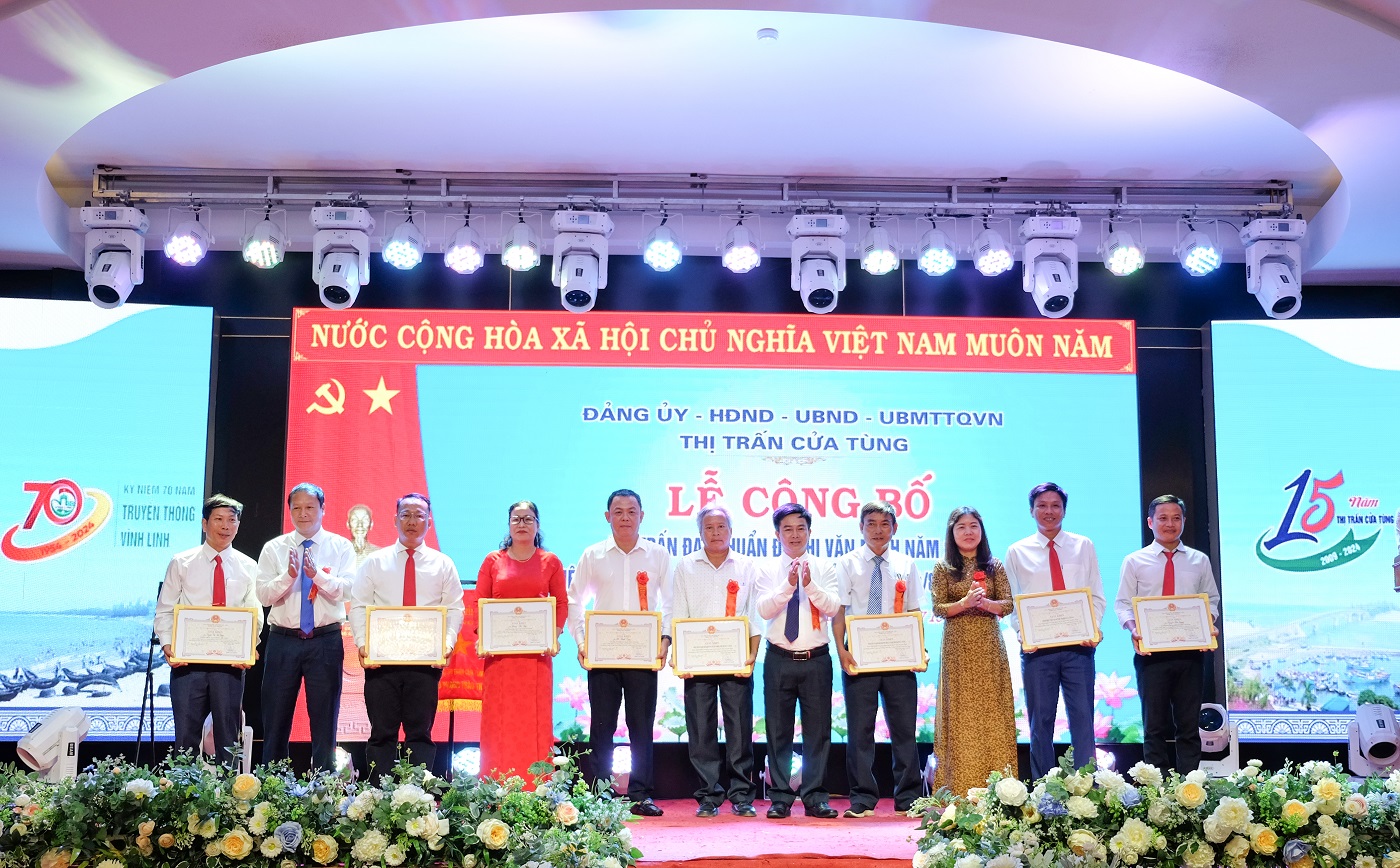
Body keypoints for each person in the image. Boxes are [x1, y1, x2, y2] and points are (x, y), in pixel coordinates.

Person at [566, 488, 673, 817]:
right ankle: (600, 792)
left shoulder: (658, 555)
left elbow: (670, 602)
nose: (625, 517)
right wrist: (582, 641)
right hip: (603, 655)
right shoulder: (593, 555)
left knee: (641, 725)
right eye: (618, 511)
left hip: (643, 655)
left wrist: (665, 639)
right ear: (607, 516)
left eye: (631, 511)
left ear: (642, 516)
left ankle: (641, 793)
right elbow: (574, 600)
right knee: (602, 725)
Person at [350, 493, 465, 778]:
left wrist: (447, 643)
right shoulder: (374, 562)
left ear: (429, 522)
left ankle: (417, 795)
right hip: (382, 662)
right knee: (381, 733)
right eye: (406, 515)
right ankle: (378, 795)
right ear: (395, 520)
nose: (412, 521)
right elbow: (359, 605)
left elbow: (454, 607)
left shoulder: (443, 564)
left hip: (425, 663)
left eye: (419, 515)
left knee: (420, 734)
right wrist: (363, 644)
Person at [1004, 482, 1106, 778]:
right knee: (1040, 722)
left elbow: (1096, 594)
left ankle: (1087, 784)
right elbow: (1012, 601)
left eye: (1055, 506)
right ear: (1031, 511)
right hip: (1037, 650)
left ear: (1064, 510)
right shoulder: (1017, 551)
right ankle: (1043, 788)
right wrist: (1023, 634)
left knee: (1083, 720)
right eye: (1042, 506)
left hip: (1079, 649)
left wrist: (1093, 629)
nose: (1049, 511)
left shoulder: (1083, 545)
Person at [666, 505, 762, 817]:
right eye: (709, 527)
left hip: (736, 660)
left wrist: (752, 654)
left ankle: (741, 795)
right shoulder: (686, 566)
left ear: (731, 531)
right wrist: (679, 656)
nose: (716, 532)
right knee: (700, 729)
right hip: (697, 661)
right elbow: (678, 613)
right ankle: (708, 795)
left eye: (721, 526)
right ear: (700, 532)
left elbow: (754, 614)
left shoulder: (747, 566)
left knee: (740, 728)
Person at [255, 482, 357, 771]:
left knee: (325, 718)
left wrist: (317, 576)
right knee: (275, 717)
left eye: (310, 507)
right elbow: (263, 595)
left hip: (325, 640)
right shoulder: (274, 548)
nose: (303, 513)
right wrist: (288, 576)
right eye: (296, 508)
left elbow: (349, 590)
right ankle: (273, 782)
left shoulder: (340, 546)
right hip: (283, 641)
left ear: (323, 509)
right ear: (289, 510)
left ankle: (323, 785)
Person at [1115, 494, 1221, 773]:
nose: (1170, 524)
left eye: (1176, 518)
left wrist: (1208, 624)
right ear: (1150, 522)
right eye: (1163, 518)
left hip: (1190, 654)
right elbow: (1123, 604)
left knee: (1189, 726)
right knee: (1154, 726)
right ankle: (1157, 788)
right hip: (1151, 654)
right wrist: (1134, 629)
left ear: (1184, 521)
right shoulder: (1134, 561)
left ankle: (1190, 786)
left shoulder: (1199, 560)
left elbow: (1211, 600)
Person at [154, 494, 262, 763]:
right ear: (205, 524)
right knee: (185, 739)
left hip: (230, 665)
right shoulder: (181, 562)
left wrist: (250, 647)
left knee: (229, 739)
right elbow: (165, 609)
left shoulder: (249, 566)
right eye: (218, 519)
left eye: (232, 520)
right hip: (188, 664)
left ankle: (229, 789)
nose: (225, 526)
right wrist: (168, 645)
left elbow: (255, 613)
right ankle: (183, 787)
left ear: (238, 525)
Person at [834, 500, 923, 817]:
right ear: (861, 527)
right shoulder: (847, 563)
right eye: (871, 523)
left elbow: (914, 611)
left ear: (894, 528)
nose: (877, 530)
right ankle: (862, 798)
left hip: (899, 658)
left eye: (885, 524)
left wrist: (919, 650)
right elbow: (839, 611)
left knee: (904, 731)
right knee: (860, 731)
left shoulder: (906, 564)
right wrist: (841, 650)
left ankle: (909, 798)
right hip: (859, 657)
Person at [755, 502, 841, 820]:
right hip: (779, 658)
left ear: (810, 532)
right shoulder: (766, 569)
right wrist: (789, 585)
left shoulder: (825, 567)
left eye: (800, 528)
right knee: (779, 731)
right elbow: (764, 609)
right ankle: (780, 797)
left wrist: (809, 584)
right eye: (787, 529)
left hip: (816, 659)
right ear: (777, 534)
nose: (794, 535)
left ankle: (815, 797)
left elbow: (832, 607)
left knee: (817, 732)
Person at [474, 500, 568, 782]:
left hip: (536, 659)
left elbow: (561, 604)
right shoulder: (492, 561)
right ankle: (495, 787)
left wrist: (554, 635)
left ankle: (537, 788)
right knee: (499, 724)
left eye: (528, 519)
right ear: (509, 525)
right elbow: (479, 603)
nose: (522, 524)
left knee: (533, 723)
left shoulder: (550, 562)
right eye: (516, 519)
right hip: (500, 660)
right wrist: (484, 637)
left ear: (537, 525)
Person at [930, 506, 1018, 797]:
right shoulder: (943, 568)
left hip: (989, 645)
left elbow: (1008, 604)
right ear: (951, 533)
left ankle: (999, 790)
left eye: (973, 526)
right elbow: (938, 608)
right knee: (960, 713)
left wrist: (987, 605)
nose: (968, 532)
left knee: (992, 712)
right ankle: (957, 788)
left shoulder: (995, 565)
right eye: (961, 527)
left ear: (981, 531)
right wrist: (965, 604)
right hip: (957, 648)